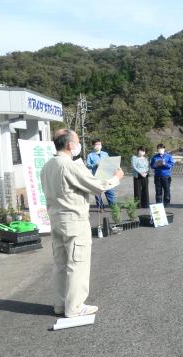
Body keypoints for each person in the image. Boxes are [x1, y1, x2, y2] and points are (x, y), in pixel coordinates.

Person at [40, 129, 124, 318]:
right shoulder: (69, 165)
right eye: (77, 142)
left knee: (61, 264)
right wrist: (116, 178)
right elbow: (96, 186)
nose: (79, 145)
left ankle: (61, 305)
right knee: (77, 264)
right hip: (74, 220)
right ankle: (75, 307)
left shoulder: (48, 165)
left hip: (56, 219)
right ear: (70, 145)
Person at [86, 139, 117, 209]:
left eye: (99, 144)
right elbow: (88, 165)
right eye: (96, 144)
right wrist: (95, 164)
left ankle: (114, 207)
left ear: (101, 145)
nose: (98, 146)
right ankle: (100, 207)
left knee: (110, 191)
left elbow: (110, 162)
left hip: (106, 175)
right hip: (96, 176)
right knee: (97, 193)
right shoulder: (90, 155)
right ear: (93, 146)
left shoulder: (105, 154)